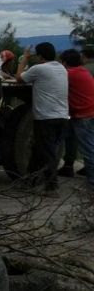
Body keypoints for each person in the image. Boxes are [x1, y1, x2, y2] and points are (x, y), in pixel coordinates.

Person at [16, 43, 69, 197]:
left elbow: (19, 78)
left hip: (46, 117)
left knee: (47, 153)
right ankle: (30, 182)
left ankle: (52, 187)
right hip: (62, 116)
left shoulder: (39, 69)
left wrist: (24, 59)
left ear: (40, 56)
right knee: (40, 149)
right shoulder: (62, 69)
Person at [59, 49, 94, 189]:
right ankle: (68, 166)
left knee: (88, 149)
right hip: (87, 112)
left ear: (65, 62)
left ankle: (92, 183)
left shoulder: (69, 74)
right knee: (74, 140)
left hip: (82, 115)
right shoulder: (83, 71)